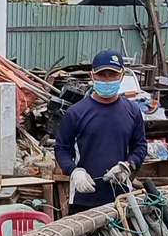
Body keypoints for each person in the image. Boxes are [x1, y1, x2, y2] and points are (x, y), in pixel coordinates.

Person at [55, 50, 148, 211]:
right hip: (83, 199)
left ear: (122, 75)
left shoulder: (132, 112)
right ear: (92, 76)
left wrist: (127, 165)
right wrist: (74, 171)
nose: (107, 80)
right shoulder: (76, 113)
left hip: (121, 198)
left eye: (112, 75)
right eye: (101, 75)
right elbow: (62, 148)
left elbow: (140, 146)